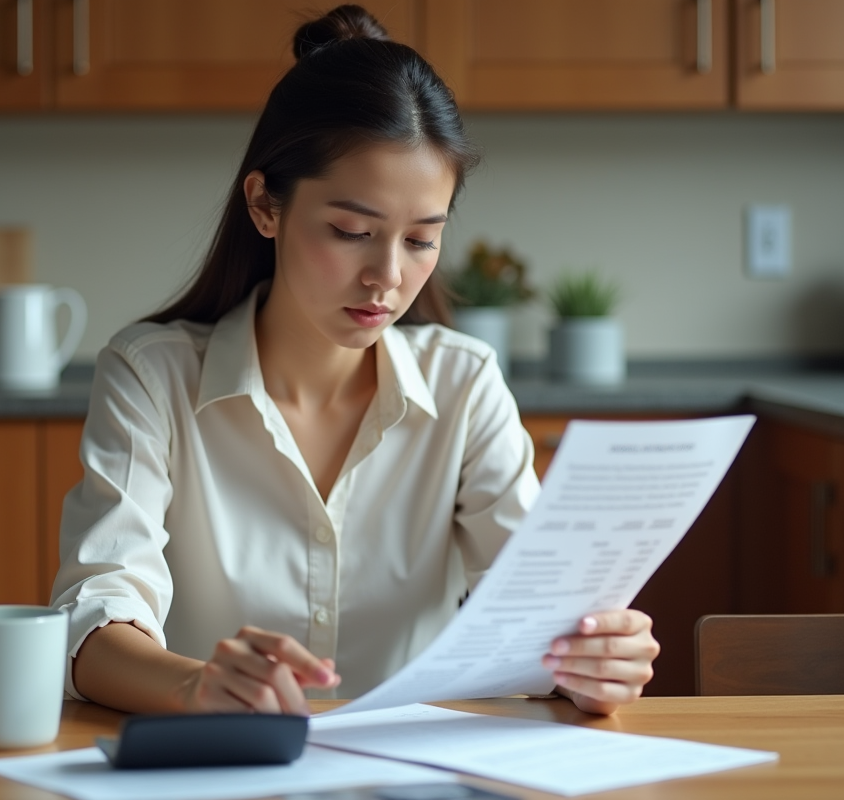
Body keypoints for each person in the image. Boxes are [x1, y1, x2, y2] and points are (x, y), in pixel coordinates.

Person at [51, 4, 659, 718]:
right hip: (226, 772)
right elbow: (94, 618)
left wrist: (592, 657)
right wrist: (196, 686)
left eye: (421, 240)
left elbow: (539, 610)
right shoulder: (152, 376)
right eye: (350, 231)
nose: (387, 277)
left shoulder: (463, 384)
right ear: (265, 205)